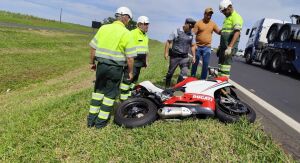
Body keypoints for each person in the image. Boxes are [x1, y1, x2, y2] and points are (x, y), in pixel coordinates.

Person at [87, 6, 137, 128]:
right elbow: (130, 58)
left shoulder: (103, 28)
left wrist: (92, 63)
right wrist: (130, 72)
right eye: (129, 19)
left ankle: (91, 120)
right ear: (126, 18)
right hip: (115, 68)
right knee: (110, 94)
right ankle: (100, 123)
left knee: (98, 91)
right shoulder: (126, 33)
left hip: (101, 66)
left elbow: (93, 48)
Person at [120, 16, 150, 101]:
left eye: (148, 24)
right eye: (145, 24)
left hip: (140, 62)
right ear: (139, 24)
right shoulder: (132, 33)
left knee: (134, 80)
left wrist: (146, 61)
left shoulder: (145, 36)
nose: (147, 26)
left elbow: (146, 50)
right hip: (132, 61)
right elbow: (126, 47)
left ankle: (129, 96)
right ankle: (123, 100)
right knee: (127, 80)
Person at [164, 18, 197, 87]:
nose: (191, 29)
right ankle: (166, 86)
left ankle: (177, 87)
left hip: (184, 57)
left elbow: (193, 45)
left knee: (184, 73)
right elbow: (168, 41)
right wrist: (166, 53)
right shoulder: (176, 31)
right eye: (190, 26)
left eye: (192, 27)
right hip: (175, 56)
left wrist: (194, 56)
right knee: (170, 73)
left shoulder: (192, 34)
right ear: (186, 24)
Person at [191, 7, 221, 79]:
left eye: (210, 15)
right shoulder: (198, 23)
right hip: (198, 47)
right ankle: (192, 77)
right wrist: (194, 45)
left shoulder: (213, 24)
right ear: (204, 14)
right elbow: (192, 34)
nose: (209, 16)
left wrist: (227, 31)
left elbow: (219, 32)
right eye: (208, 14)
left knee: (205, 64)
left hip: (207, 47)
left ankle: (203, 79)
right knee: (195, 63)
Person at [218, 0, 243, 77]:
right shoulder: (226, 18)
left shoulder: (236, 17)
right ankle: (219, 82)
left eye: (224, 11)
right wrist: (220, 46)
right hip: (223, 47)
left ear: (230, 7)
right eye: (222, 12)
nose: (224, 13)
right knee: (220, 66)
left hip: (229, 47)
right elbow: (224, 33)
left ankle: (223, 85)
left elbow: (237, 32)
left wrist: (230, 47)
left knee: (225, 67)